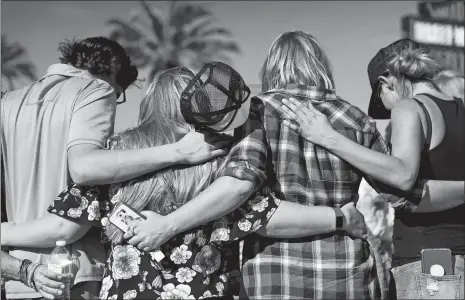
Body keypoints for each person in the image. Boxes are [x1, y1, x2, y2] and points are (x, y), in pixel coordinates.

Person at [2, 65, 368, 299]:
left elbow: (61, 227)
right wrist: (339, 218)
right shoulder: (215, 158)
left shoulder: (116, 155)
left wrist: (4, 233)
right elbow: (267, 216)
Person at [0, 36, 230, 300]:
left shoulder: (9, 103)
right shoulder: (95, 90)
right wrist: (178, 152)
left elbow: (64, 214)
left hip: (24, 273)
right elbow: (84, 171)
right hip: (78, 274)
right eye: (119, 94)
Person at [280, 39, 465, 299]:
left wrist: (327, 137)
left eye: (382, 101)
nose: (388, 112)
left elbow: (402, 176)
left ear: (385, 83)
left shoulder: (410, 107)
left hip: (429, 260)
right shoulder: (460, 106)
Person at [220, 31, 385, 299]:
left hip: (275, 277)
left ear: (273, 65)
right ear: (320, 65)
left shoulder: (257, 111)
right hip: (346, 274)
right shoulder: (357, 120)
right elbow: (398, 192)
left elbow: (242, 189)